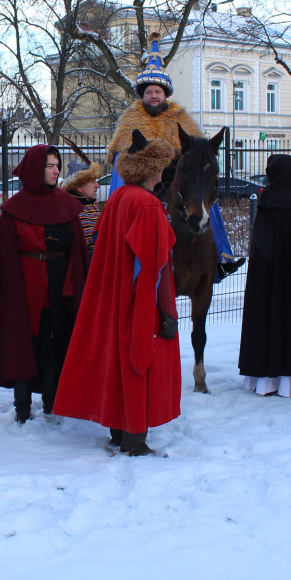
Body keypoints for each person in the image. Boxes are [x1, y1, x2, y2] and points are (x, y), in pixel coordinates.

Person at [54, 131, 181, 456]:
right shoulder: (148, 205)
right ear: (151, 168)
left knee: (117, 362)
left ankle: (117, 430)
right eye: (162, 165)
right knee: (137, 362)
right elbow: (153, 266)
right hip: (136, 300)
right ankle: (134, 439)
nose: (164, 170)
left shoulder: (119, 199)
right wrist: (165, 310)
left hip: (113, 296)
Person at [105, 33, 243, 280]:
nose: (154, 96)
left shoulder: (180, 118)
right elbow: (120, 158)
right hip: (142, 183)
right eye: (149, 92)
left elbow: (198, 153)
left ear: (165, 94)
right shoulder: (129, 119)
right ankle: (118, 253)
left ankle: (220, 257)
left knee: (206, 203)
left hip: (176, 183)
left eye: (158, 91)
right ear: (142, 95)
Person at [0, 144, 89, 423]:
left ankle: (53, 406)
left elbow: (75, 254)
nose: (57, 171)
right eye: (51, 166)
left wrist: (71, 291)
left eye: (57, 165)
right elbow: (5, 258)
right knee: (23, 345)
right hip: (23, 290)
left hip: (58, 288)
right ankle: (22, 409)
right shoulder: (13, 210)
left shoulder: (66, 205)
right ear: (35, 169)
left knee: (53, 345)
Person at [238, 154, 291, 397]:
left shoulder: (266, 202)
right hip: (289, 284)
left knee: (264, 323)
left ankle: (262, 379)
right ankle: (286, 379)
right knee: (285, 325)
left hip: (263, 283)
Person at [60, 159, 102, 257]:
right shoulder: (71, 211)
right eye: (92, 182)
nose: (97, 186)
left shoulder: (94, 207)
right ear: (78, 186)